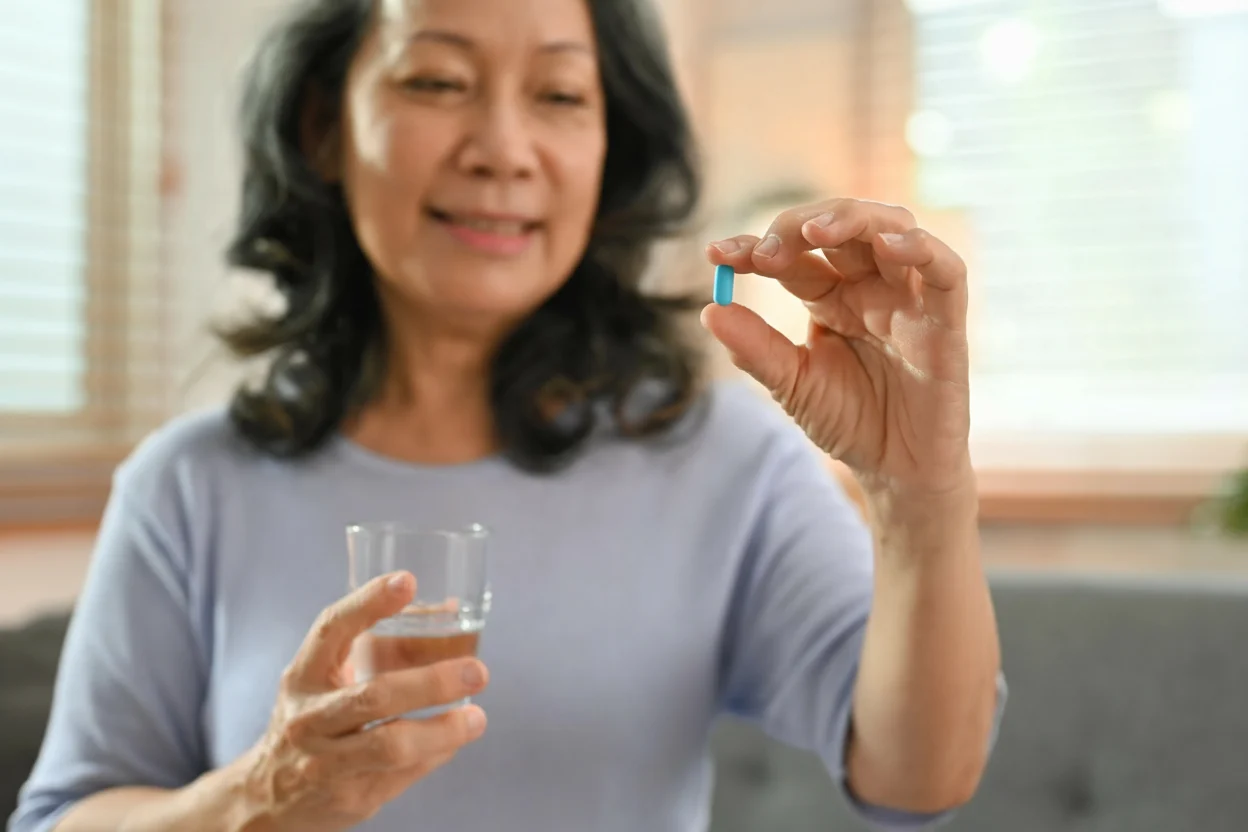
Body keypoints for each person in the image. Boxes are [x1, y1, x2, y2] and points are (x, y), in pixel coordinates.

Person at [10, 0, 1005, 830]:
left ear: (611, 147)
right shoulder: (188, 484)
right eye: (437, 81)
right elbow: (62, 818)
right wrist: (254, 800)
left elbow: (920, 776)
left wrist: (918, 493)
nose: (502, 150)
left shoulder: (728, 461)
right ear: (324, 128)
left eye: (560, 95)